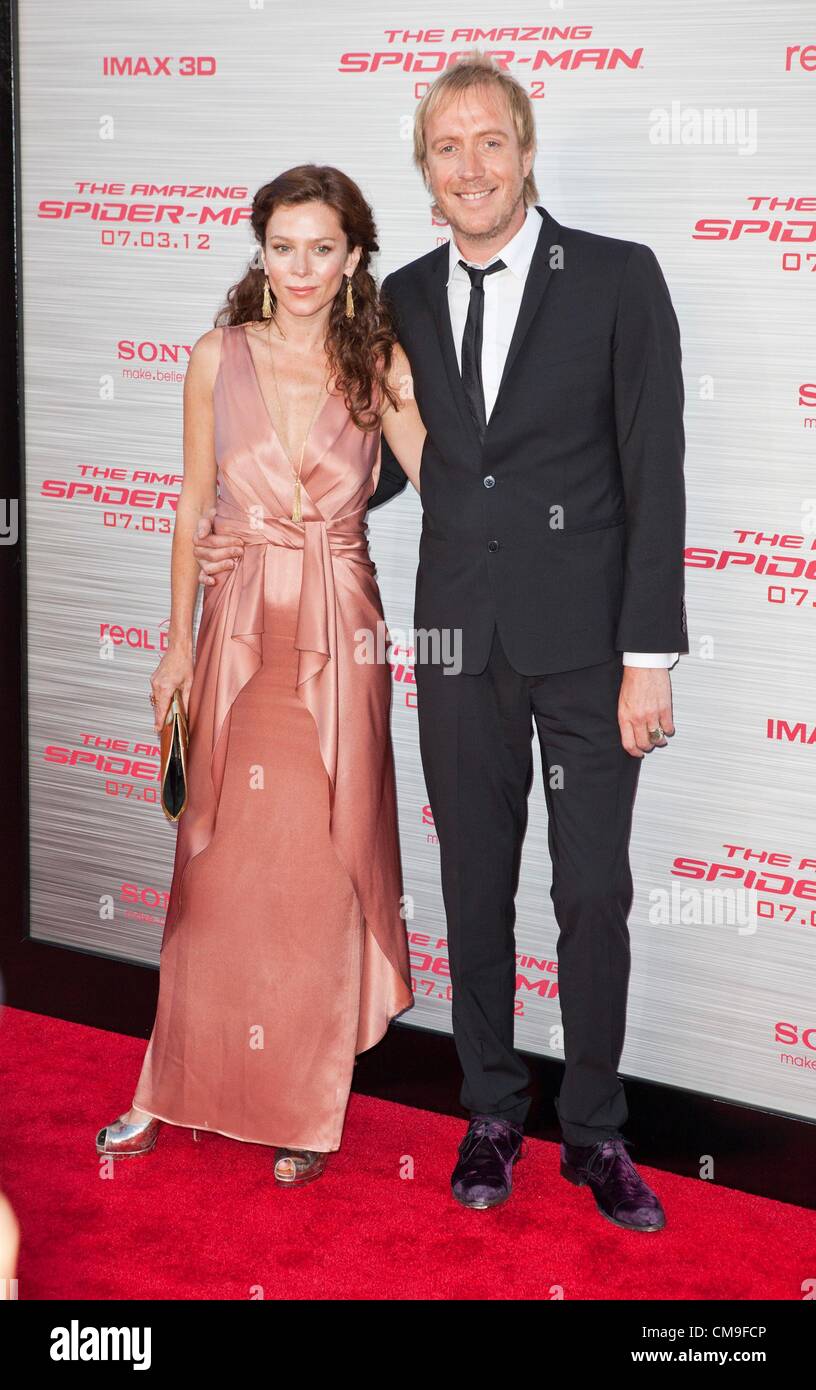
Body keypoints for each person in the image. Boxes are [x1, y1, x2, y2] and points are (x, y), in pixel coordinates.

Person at [195, 55, 688, 1227]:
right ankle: (489, 1112)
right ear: (427, 177)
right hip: (458, 640)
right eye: (447, 148)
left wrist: (647, 659)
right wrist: (252, 527)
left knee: (592, 894)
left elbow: (653, 477)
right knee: (473, 880)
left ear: (525, 153)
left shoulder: (618, 280)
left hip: (586, 651)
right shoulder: (399, 299)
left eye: (490, 143)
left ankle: (600, 1132)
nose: (471, 166)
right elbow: (373, 461)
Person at [95, 165, 425, 1185]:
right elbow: (193, 506)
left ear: (355, 256)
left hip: (339, 635)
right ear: (260, 249)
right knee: (215, 877)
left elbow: (459, 479)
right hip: (236, 636)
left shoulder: (381, 364)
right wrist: (174, 642)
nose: (302, 268)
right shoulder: (215, 356)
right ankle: (170, 1083)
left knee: (319, 874)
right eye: (284, 246)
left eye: (322, 247)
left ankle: (303, 1102)